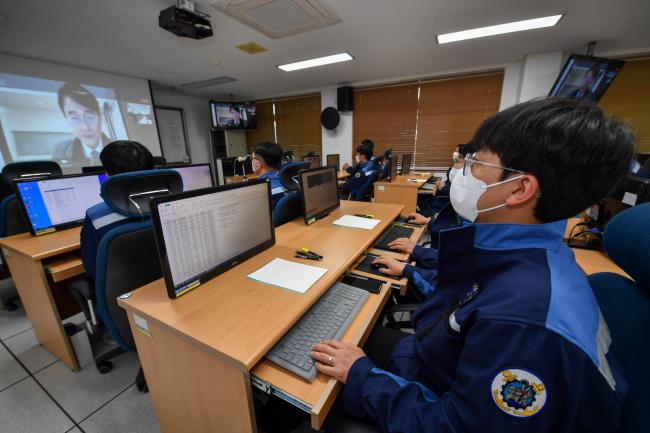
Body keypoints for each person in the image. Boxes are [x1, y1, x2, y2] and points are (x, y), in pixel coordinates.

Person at [312, 98, 634, 433]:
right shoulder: (526, 255)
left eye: (477, 163)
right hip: (439, 366)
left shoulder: (524, 319)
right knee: (363, 337)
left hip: (444, 401)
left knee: (316, 406)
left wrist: (361, 375)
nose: (463, 172)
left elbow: (455, 426)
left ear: (520, 188)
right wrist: (409, 270)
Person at [80, 141, 154, 281]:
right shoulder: (170, 205)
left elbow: (92, 268)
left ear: (108, 176)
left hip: (120, 297)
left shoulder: (96, 216)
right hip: (165, 285)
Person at [53, 83, 110, 167]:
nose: (85, 127)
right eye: (74, 118)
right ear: (66, 119)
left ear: (100, 117)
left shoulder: (119, 149)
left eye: (90, 116)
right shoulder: (60, 151)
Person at [252, 141, 286, 206]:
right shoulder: (286, 182)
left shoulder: (258, 190)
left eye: (253, 158)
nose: (252, 161)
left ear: (259, 162)